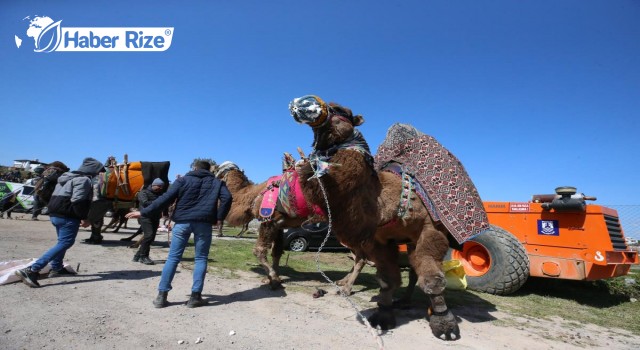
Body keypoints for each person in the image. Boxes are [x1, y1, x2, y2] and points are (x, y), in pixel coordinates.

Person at [126, 161, 232, 308]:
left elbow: (165, 199)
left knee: (173, 258)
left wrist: (143, 212)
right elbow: (227, 198)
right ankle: (195, 297)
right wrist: (219, 218)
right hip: (204, 223)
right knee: (200, 258)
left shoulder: (182, 180)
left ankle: (161, 297)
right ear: (209, 170)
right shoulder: (217, 182)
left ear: (195, 168)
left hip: (182, 223)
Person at [14, 157, 104, 288]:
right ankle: (32, 270)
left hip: (55, 214)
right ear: (92, 170)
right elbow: (78, 200)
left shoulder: (65, 177)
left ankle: (57, 267)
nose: (97, 174)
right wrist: (85, 218)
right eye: (97, 171)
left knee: (62, 242)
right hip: (68, 215)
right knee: (66, 242)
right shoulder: (83, 180)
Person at [132, 178, 166, 265]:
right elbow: (145, 203)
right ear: (153, 185)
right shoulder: (143, 193)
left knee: (151, 237)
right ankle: (144, 256)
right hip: (145, 217)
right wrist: (159, 202)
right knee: (149, 236)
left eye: (162, 187)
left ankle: (138, 255)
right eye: (159, 186)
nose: (160, 188)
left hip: (155, 217)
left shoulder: (161, 194)